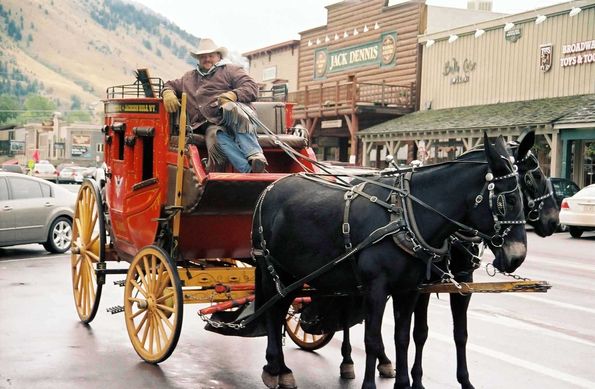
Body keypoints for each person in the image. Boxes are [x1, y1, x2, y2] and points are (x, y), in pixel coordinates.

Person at [162, 38, 267, 173]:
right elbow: (169, 84)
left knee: (232, 109)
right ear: (198, 59)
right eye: (203, 56)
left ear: (219, 56)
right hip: (208, 124)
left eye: (211, 56)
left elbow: (251, 87)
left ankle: (255, 154)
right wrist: (168, 93)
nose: (207, 59)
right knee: (216, 136)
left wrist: (233, 95)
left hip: (234, 117)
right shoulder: (188, 78)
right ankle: (250, 171)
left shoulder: (231, 70)